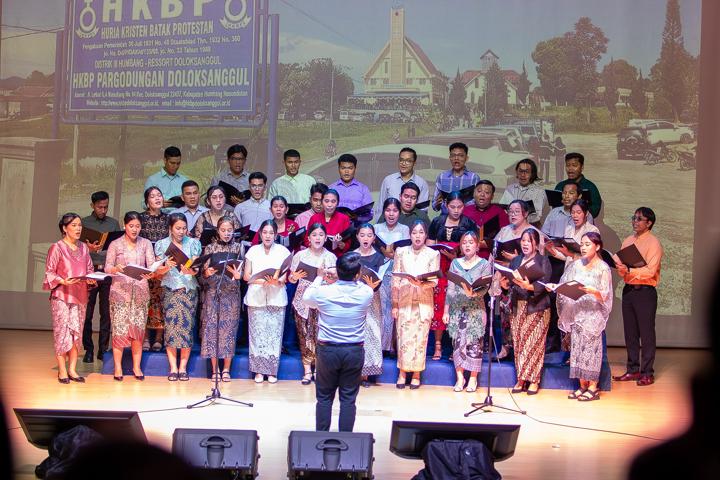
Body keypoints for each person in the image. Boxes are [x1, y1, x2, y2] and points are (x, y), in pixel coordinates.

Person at [302, 252, 374, 432]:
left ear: (338, 271)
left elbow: (306, 298)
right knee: (348, 399)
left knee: (324, 397)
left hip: (328, 350)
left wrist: (320, 277)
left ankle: (321, 438)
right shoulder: (366, 292)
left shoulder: (323, 292)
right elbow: (359, 283)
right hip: (354, 350)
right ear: (358, 274)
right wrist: (344, 276)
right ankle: (346, 439)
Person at [552, 232, 612, 401]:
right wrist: (556, 287)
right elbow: (565, 284)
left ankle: (593, 387)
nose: (583, 248)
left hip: (593, 315)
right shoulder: (576, 265)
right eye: (582, 244)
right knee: (577, 350)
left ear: (597, 246)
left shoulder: (603, 268)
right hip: (577, 313)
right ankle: (582, 385)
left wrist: (594, 292)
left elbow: (605, 296)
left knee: (591, 352)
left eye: (587, 244)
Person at [104, 211, 163, 381]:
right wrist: (115, 269)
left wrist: (153, 271)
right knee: (119, 330)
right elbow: (107, 267)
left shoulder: (145, 243)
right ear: (125, 225)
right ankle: (118, 367)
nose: (135, 229)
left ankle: (137, 367)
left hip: (140, 292)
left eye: (137, 226)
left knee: (137, 330)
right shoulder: (115, 244)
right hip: (120, 292)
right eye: (131, 226)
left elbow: (151, 266)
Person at [497, 228, 552, 395]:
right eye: (523, 241)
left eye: (529, 241)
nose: (525, 244)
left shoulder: (543, 261)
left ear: (536, 244)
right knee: (519, 343)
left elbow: (544, 284)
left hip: (537, 307)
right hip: (518, 306)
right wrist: (504, 285)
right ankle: (521, 378)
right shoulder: (516, 261)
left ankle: (534, 380)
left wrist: (529, 287)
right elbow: (510, 283)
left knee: (534, 344)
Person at [612, 207, 663, 386]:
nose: (635, 221)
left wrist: (630, 270)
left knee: (646, 333)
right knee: (630, 333)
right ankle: (633, 369)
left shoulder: (653, 243)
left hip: (645, 292)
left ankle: (647, 372)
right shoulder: (628, 240)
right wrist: (620, 268)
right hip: (629, 290)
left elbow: (650, 271)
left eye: (639, 219)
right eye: (634, 217)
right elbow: (623, 270)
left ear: (649, 223)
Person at [43, 213, 95, 383]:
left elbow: (89, 269)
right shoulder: (57, 247)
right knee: (62, 332)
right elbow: (50, 272)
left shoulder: (84, 248)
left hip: (80, 296)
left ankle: (72, 369)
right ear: (64, 228)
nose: (78, 228)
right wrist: (63, 281)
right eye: (74, 225)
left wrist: (92, 278)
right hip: (62, 296)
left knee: (76, 333)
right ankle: (62, 370)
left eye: (80, 225)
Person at [427, 191, 476, 361]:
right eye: (452, 207)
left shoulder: (468, 223)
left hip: (460, 266)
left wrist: (456, 256)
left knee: (457, 305)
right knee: (439, 304)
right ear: (446, 206)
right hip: (440, 266)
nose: (456, 210)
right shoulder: (437, 221)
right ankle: (438, 345)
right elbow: (430, 246)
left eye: (459, 207)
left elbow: (472, 248)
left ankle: (456, 345)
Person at [392, 220, 441, 389]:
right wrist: (395, 304)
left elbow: (434, 281)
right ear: (410, 235)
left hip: (423, 301)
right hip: (405, 300)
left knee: (420, 339)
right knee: (403, 338)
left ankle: (416, 374)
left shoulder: (433, 254)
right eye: (414, 232)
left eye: (421, 232)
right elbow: (395, 279)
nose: (417, 236)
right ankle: (402, 373)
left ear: (426, 235)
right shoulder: (401, 252)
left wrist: (422, 283)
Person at [243, 219, 292, 383]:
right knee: (257, 335)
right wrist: (261, 281)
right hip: (256, 296)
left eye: (271, 233)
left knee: (274, 335)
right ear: (260, 234)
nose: (268, 236)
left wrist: (275, 281)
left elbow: (284, 277)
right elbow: (246, 275)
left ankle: (271, 371)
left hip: (276, 296)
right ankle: (258, 371)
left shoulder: (283, 251)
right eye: (265, 232)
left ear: (276, 235)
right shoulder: (252, 251)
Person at [493, 200, 543, 359]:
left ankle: (521, 347)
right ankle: (505, 347)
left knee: (521, 314)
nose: (512, 215)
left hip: (526, 280)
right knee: (505, 313)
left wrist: (516, 259)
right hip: (506, 278)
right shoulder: (504, 231)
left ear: (525, 213)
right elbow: (494, 253)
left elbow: (540, 259)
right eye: (510, 211)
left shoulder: (534, 232)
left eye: (516, 211)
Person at [154, 213, 202, 381]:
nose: (181, 232)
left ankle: (183, 367)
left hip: (188, 290)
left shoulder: (194, 243)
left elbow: (196, 268)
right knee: (171, 328)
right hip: (170, 290)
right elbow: (157, 273)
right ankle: (173, 367)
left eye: (184, 228)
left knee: (186, 328)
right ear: (170, 228)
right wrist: (165, 266)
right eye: (178, 228)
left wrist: (192, 270)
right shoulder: (162, 245)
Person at [443, 231, 492, 392]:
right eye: (464, 243)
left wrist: (474, 294)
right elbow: (450, 289)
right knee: (457, 344)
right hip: (457, 309)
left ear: (477, 246)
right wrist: (446, 311)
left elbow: (485, 287)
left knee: (474, 344)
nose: (467, 245)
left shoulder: (484, 264)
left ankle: (473, 378)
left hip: (476, 309)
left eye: (471, 242)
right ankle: (460, 378)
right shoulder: (455, 263)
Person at [289, 223, 337, 385]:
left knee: (320, 335)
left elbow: (335, 281)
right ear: (308, 238)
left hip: (322, 300)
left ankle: (319, 370)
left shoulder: (331, 257)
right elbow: (291, 279)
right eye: (314, 235)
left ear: (326, 238)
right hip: (302, 300)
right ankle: (307, 371)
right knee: (304, 334)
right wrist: (294, 277)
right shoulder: (300, 255)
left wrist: (324, 277)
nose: (318, 238)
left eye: (321, 235)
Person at [199, 216, 244, 382]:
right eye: (223, 230)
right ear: (217, 231)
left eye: (229, 230)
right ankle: (214, 370)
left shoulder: (238, 247)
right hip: (214, 293)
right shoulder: (210, 248)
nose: (226, 233)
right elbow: (202, 276)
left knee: (229, 331)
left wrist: (238, 275)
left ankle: (226, 369)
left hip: (231, 294)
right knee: (212, 330)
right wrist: (206, 273)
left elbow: (242, 271)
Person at [81, 191, 120, 363]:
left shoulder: (113, 223)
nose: (103, 210)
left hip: (106, 272)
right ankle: (88, 349)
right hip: (89, 272)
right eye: (99, 207)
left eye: (105, 207)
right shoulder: (83, 223)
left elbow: (118, 246)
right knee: (87, 314)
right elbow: (76, 248)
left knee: (106, 313)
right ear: (92, 206)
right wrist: (88, 248)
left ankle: (102, 350)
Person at [374, 198, 410, 353]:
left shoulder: (404, 229)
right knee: (380, 308)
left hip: (396, 271)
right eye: (388, 210)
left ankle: (392, 346)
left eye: (395, 211)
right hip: (379, 271)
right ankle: (380, 345)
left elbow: (406, 251)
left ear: (399, 213)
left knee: (394, 307)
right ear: (383, 212)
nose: (391, 214)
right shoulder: (376, 228)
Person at [353, 224, 385, 386]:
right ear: (357, 236)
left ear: (374, 238)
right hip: (355, 299)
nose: (366, 238)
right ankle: (353, 373)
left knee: (371, 334)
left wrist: (374, 286)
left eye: (369, 235)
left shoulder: (379, 257)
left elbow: (381, 278)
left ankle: (366, 374)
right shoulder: (352, 256)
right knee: (356, 335)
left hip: (373, 299)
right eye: (362, 235)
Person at [139, 186, 169, 351]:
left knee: (160, 302)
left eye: (159, 195)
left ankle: (158, 337)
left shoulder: (168, 218)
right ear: (146, 201)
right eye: (152, 196)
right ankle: (144, 338)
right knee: (145, 301)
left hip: (162, 266)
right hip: (144, 267)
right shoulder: (141, 218)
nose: (157, 198)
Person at [376, 147, 430, 218]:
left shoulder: (422, 184)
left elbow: (422, 211)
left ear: (414, 163)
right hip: (390, 223)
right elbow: (380, 208)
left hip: (412, 223)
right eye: (401, 160)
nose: (403, 163)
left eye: (408, 161)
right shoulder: (388, 180)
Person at [462, 180, 509, 259]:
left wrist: (489, 243)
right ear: (474, 193)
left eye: (487, 192)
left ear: (492, 196)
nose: (482, 194)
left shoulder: (499, 212)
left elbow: (506, 238)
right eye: (479, 191)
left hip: (490, 257)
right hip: (466, 256)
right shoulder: (465, 211)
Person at [432, 142, 481, 214]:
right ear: (450, 158)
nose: (456, 158)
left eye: (460, 155)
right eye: (453, 155)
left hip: (467, 218)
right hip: (445, 218)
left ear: (466, 158)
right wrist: (437, 203)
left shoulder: (474, 178)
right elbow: (434, 206)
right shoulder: (442, 177)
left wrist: (460, 204)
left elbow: (479, 203)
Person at [555, 152, 603, 219]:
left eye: (574, 165)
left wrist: (578, 214)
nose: (570, 168)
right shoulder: (560, 186)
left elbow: (595, 210)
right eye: (568, 165)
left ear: (582, 167)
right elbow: (555, 208)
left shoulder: (590, 187)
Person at [306, 189, 352, 257]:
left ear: (337, 203)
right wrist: (314, 244)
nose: (329, 205)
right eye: (326, 201)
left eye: (333, 201)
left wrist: (341, 244)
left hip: (337, 257)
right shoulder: (314, 218)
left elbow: (348, 244)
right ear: (322, 202)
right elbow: (307, 239)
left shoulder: (344, 219)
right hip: (316, 256)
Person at [499, 158, 546, 225]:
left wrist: (518, 220)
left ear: (532, 174)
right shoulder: (510, 189)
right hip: (510, 226)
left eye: (526, 172)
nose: (523, 175)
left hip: (529, 227)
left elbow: (536, 217)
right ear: (517, 173)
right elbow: (502, 210)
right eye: (520, 171)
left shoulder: (539, 192)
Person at [329, 153, 373, 223]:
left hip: (357, 227)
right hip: (336, 227)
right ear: (338, 168)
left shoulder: (363, 189)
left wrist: (356, 218)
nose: (346, 171)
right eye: (343, 168)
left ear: (355, 169)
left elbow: (370, 214)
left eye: (350, 168)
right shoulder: (331, 189)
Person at [143, 146, 189, 211]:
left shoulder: (184, 180)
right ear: (165, 160)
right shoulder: (152, 180)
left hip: (181, 216)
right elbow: (144, 204)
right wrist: (158, 204)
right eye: (172, 163)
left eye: (178, 163)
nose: (175, 166)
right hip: (160, 216)